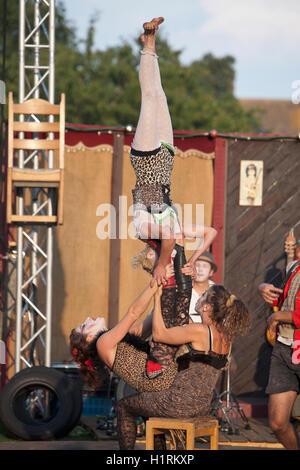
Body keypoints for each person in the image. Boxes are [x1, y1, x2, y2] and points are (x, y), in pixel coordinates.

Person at [116, 283, 250, 450]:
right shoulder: (225, 338)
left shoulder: (200, 330)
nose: (198, 297)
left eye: (203, 296)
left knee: (123, 406)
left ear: (207, 307)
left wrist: (157, 300)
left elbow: (159, 334)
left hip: (177, 404)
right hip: (202, 408)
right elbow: (184, 322)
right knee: (147, 405)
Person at [129, 17, 182, 288]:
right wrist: (194, 258)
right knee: (159, 95)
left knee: (148, 98)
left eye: (154, 256)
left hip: (147, 162)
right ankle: (150, 43)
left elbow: (169, 236)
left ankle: (147, 45)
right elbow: (207, 232)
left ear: (150, 253)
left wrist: (161, 265)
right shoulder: (168, 231)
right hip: (165, 161)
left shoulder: (142, 229)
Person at [258, 240, 300, 450]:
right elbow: (286, 296)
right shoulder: (295, 268)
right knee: (277, 422)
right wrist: (263, 287)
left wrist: (279, 315)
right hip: (284, 347)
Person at [188, 251, 217, 323]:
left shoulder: (217, 292)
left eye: (205, 266)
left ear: (211, 272)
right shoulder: (183, 289)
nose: (200, 269)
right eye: (197, 265)